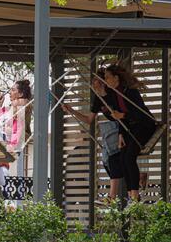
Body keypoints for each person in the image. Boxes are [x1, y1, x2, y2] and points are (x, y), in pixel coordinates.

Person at [62, 69, 123, 205]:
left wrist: (121, 134)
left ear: (102, 82)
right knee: (106, 160)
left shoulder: (113, 95)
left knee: (113, 158)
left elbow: (123, 115)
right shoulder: (98, 99)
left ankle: (112, 196)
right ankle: (134, 179)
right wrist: (71, 110)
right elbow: (89, 119)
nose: (93, 84)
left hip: (119, 127)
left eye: (95, 81)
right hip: (110, 129)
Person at [104, 64, 156, 202]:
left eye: (108, 77)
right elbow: (120, 118)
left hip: (144, 126)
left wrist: (123, 116)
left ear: (116, 78)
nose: (106, 80)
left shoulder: (130, 92)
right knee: (122, 158)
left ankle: (134, 193)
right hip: (130, 127)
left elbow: (138, 114)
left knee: (129, 157)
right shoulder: (115, 95)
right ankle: (130, 192)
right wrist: (121, 134)